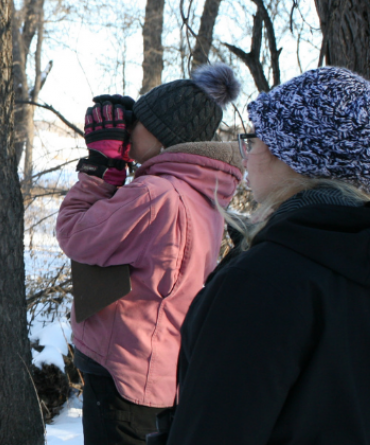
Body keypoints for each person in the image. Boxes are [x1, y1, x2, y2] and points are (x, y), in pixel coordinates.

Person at [163, 66, 370, 444]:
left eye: (256, 140)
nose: (246, 156)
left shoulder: (264, 280)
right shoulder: (351, 256)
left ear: (292, 156)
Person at [56, 63, 243, 445]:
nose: (128, 130)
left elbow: (75, 233)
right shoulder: (202, 192)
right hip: (162, 370)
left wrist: (101, 165)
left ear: (160, 136)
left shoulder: (154, 194)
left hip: (123, 374)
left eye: (136, 123)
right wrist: (117, 169)